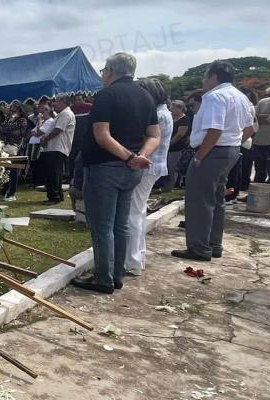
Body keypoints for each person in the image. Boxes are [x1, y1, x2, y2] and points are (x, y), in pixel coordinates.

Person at [72, 52, 160, 294]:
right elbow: (155, 135)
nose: (103, 76)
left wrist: (131, 157)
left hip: (106, 167)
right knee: (120, 225)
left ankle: (103, 278)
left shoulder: (107, 95)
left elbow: (102, 135)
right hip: (131, 169)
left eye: (103, 72)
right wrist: (140, 156)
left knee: (102, 226)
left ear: (110, 71)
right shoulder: (146, 96)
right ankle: (116, 273)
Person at [171, 61, 255, 262]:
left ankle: (199, 248)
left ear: (213, 77)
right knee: (217, 199)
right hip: (230, 151)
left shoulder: (214, 97)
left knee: (199, 200)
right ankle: (213, 244)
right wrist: (233, 144)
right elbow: (250, 129)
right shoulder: (240, 97)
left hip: (212, 151)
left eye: (205, 77)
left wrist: (200, 156)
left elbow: (215, 130)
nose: (203, 81)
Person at [125, 78, 173, 276]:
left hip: (147, 167)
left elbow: (146, 141)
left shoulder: (158, 115)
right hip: (154, 166)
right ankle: (138, 255)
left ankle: (133, 261)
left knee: (133, 213)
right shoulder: (164, 112)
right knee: (139, 211)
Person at [38, 94, 76, 204]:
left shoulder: (66, 113)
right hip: (54, 147)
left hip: (58, 147)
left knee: (53, 173)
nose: (54, 104)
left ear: (63, 101)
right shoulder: (62, 114)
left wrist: (45, 138)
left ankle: (54, 197)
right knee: (54, 173)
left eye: (56, 101)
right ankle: (58, 195)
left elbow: (58, 130)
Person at [0, 102, 31, 201]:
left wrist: (8, 129)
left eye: (14, 111)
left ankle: (12, 193)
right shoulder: (9, 119)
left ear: (20, 111)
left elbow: (18, 133)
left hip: (16, 148)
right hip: (6, 147)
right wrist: (9, 127)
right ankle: (4, 191)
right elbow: (1, 129)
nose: (12, 112)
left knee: (14, 170)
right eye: (11, 110)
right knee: (6, 170)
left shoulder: (23, 120)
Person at [252, 78, 270, 184]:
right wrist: (268, 118)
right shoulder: (263, 101)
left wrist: (265, 118)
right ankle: (255, 196)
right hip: (259, 142)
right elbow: (254, 117)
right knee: (259, 171)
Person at [162, 100, 190, 191]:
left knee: (173, 167)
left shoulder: (184, 119)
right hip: (169, 148)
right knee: (168, 166)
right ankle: (166, 183)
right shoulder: (172, 118)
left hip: (177, 147)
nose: (171, 109)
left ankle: (172, 185)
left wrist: (169, 143)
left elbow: (180, 135)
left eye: (173, 108)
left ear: (180, 108)